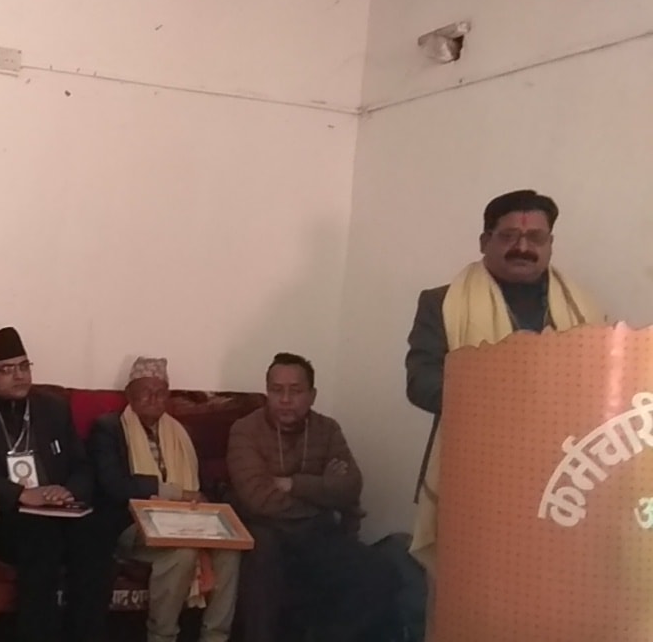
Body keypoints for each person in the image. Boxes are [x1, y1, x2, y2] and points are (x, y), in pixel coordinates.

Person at [404, 189, 604, 624]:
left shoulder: (584, 309)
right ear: (485, 241)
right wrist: (503, 399)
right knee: (466, 603)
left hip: (564, 480)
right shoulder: (442, 303)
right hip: (473, 478)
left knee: (547, 601)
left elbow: (603, 385)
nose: (523, 247)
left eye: (536, 238)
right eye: (509, 235)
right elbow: (421, 383)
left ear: (550, 244)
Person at [0, 326, 114, 642]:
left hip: (59, 511)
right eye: (7, 370)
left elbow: (81, 464)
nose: (19, 375)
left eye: (24, 366)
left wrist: (68, 491)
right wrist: (19, 494)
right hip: (6, 516)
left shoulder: (53, 406)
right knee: (42, 541)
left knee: (96, 537)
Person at [228, 353, 396, 642]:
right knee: (263, 561)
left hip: (317, 532)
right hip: (266, 530)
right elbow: (258, 498)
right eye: (277, 390)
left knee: (380, 573)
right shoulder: (245, 430)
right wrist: (323, 491)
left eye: (295, 391)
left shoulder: (327, 429)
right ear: (267, 392)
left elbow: (350, 487)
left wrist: (293, 484)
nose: (285, 400)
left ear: (312, 395)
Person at [89, 357, 241, 642]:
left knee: (229, 552)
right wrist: (174, 494)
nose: (153, 398)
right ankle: (162, 636)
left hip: (185, 522)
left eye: (160, 392)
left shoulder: (180, 433)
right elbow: (114, 485)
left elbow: (201, 485)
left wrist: (205, 504)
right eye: (145, 391)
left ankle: (215, 637)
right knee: (182, 553)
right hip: (131, 524)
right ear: (129, 394)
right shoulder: (109, 428)